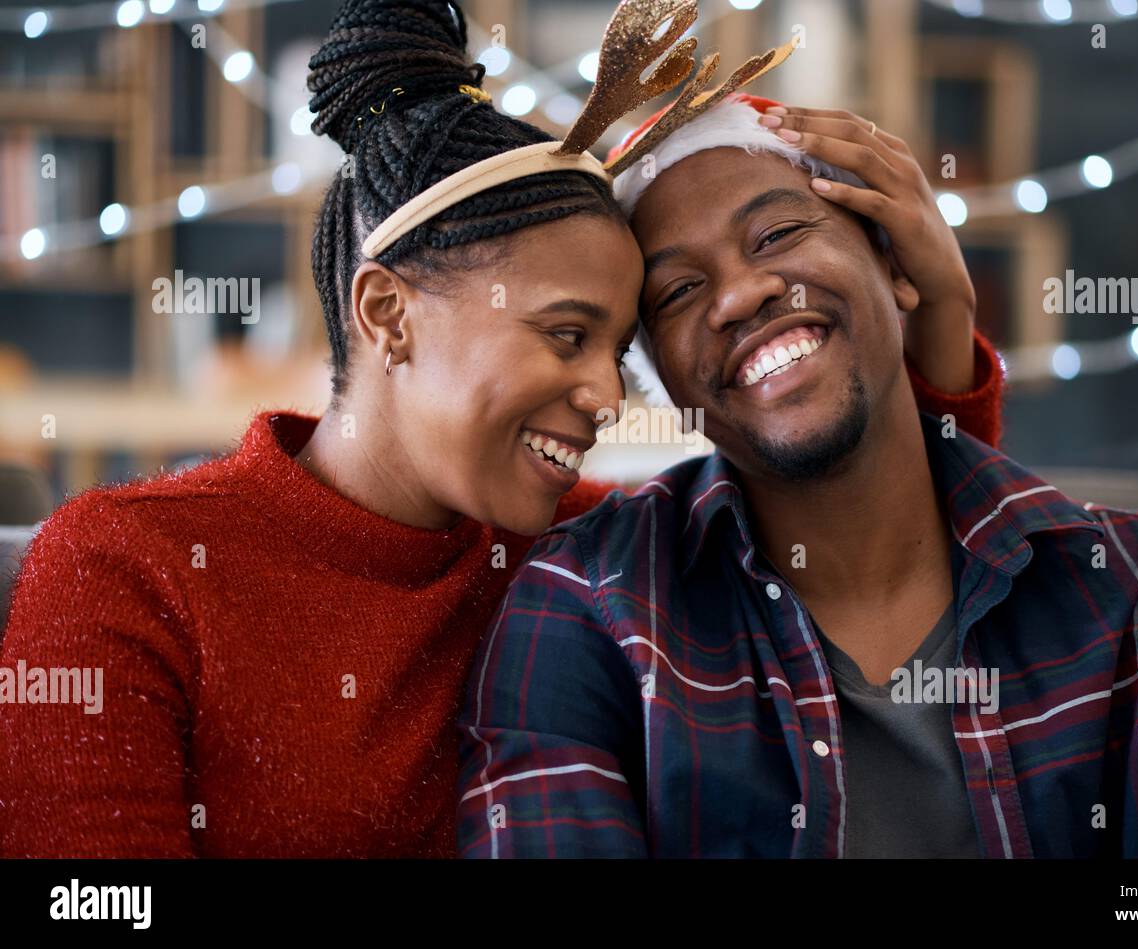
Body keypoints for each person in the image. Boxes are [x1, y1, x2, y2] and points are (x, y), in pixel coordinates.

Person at [0, 0, 998, 857]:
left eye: (616, 351)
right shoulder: (127, 565)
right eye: (564, 334)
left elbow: (885, 527)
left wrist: (938, 310)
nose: (605, 396)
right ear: (387, 313)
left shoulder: (579, 555)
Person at [456, 93, 1138, 858]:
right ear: (668, 383)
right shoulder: (590, 605)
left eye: (777, 234)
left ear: (900, 270)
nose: (741, 295)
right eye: (679, 291)